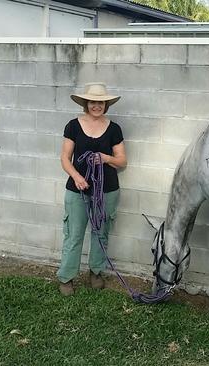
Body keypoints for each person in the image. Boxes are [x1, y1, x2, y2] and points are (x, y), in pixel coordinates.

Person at [57, 82, 127, 296]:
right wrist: (77, 177)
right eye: (92, 102)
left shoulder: (114, 129)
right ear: (86, 103)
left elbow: (122, 161)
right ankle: (67, 277)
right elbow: (64, 158)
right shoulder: (73, 126)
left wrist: (106, 158)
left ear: (105, 105)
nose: (96, 106)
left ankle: (96, 271)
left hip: (107, 191)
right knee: (74, 235)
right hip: (78, 190)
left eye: (100, 102)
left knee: (101, 233)